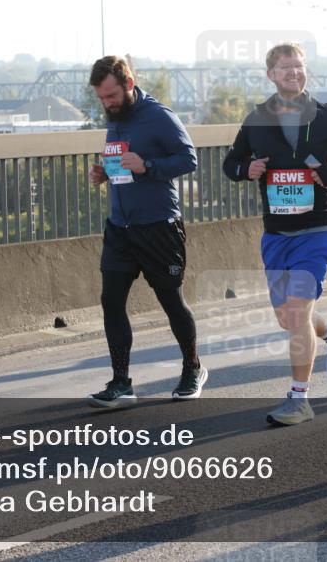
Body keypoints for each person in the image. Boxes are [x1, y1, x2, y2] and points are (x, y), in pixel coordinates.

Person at [223, 42, 327, 426]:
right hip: (277, 233)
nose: (294, 72)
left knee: (296, 313)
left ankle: (299, 398)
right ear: (271, 75)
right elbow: (231, 163)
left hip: (318, 229)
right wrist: (248, 170)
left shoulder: (326, 116)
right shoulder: (257, 118)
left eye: (299, 66)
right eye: (285, 67)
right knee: (288, 318)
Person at [85, 55, 206, 407]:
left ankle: (193, 368)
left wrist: (148, 165)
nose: (106, 104)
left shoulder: (159, 116)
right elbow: (123, 162)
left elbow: (188, 158)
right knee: (111, 301)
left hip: (158, 227)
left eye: (110, 96)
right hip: (120, 228)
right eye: (101, 98)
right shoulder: (116, 120)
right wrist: (105, 173)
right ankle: (121, 383)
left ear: (129, 85)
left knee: (171, 302)